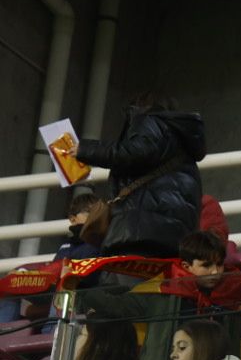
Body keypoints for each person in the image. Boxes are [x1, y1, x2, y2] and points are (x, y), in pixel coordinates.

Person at [79, 228, 241, 360]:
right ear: (186, 267)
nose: (216, 271)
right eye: (207, 265)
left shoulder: (229, 299)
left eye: (219, 264)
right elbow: (116, 305)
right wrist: (77, 288)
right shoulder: (162, 296)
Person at [72, 92, 207, 257]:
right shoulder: (179, 140)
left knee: (124, 278)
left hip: (143, 226)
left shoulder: (150, 121)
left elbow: (132, 152)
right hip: (175, 229)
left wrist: (84, 149)